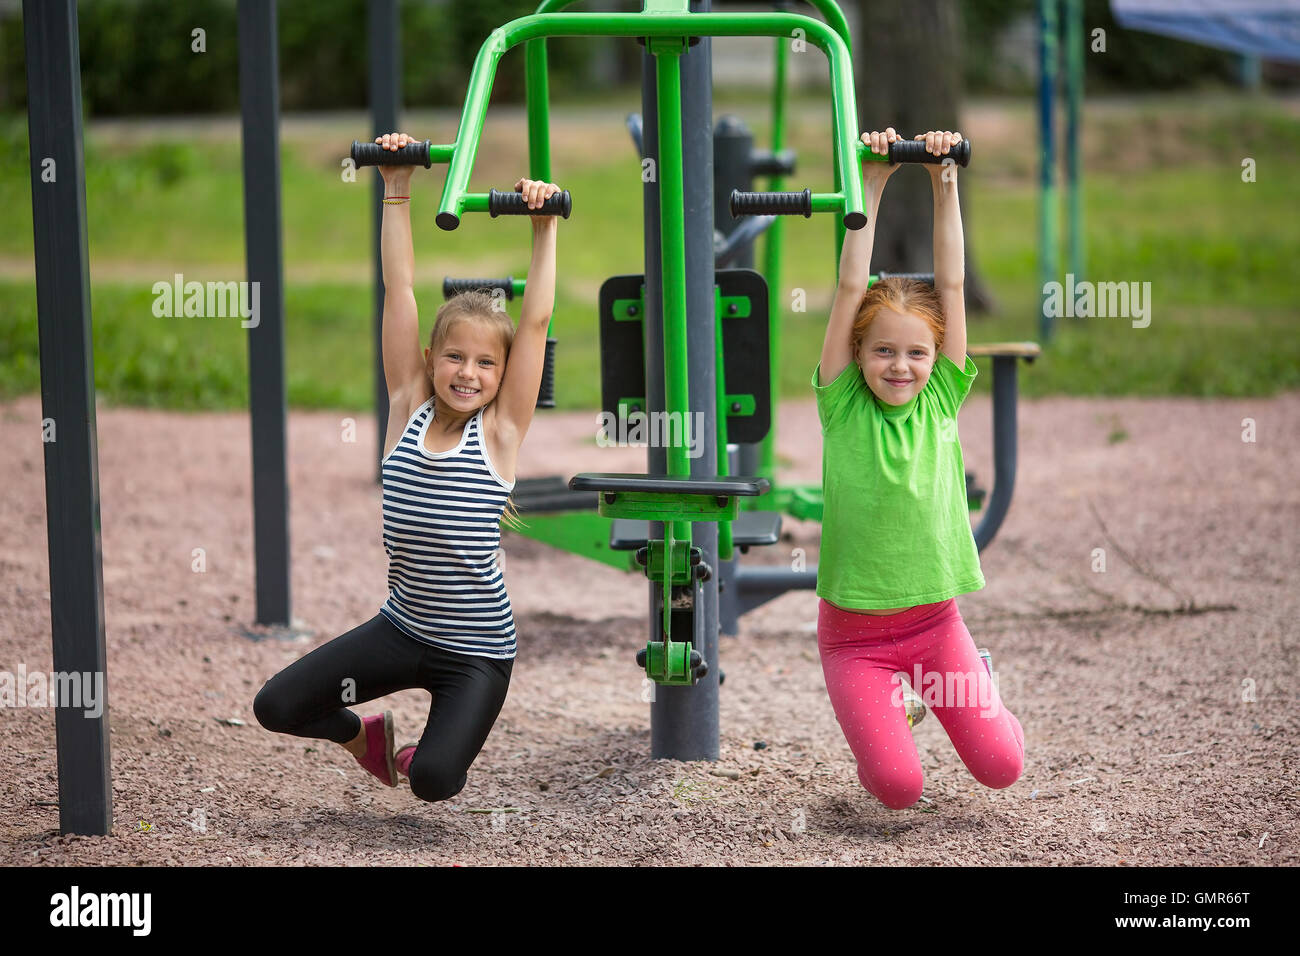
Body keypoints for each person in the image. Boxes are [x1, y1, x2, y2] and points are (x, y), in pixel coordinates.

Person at [253, 131, 561, 802]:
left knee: (433, 781)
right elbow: (399, 290)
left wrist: (545, 230)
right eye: (455, 358)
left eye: (486, 364)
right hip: (402, 628)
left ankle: (426, 748)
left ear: (504, 377)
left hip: (477, 655)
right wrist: (396, 187)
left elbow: (533, 324)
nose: (468, 373)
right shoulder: (407, 409)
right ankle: (360, 736)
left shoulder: (502, 433)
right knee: (276, 706)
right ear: (430, 359)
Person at [812, 127, 1025, 810]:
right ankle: (894, 713)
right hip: (855, 639)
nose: (898, 366)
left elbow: (952, 282)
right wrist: (871, 185)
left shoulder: (940, 399)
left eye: (914, 354)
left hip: (936, 624)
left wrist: (944, 181)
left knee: (1000, 768)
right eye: (881, 352)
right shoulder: (842, 404)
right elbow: (851, 284)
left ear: (936, 363)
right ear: (858, 354)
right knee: (898, 791)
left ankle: (975, 681)